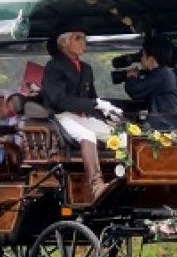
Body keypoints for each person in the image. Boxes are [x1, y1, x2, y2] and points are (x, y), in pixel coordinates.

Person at [41, 26, 123, 200]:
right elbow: (59, 100)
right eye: (78, 38)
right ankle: (97, 185)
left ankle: (126, 179)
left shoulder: (86, 68)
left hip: (84, 115)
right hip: (62, 115)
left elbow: (92, 98)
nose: (83, 42)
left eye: (84, 38)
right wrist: (94, 104)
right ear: (64, 43)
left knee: (119, 136)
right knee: (88, 136)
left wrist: (107, 114)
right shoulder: (54, 66)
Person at [124, 36, 177, 130]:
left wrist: (131, 77)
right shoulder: (168, 73)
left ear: (151, 59)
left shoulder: (162, 75)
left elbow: (134, 90)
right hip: (174, 127)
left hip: (169, 128)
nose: (141, 60)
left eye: (143, 55)